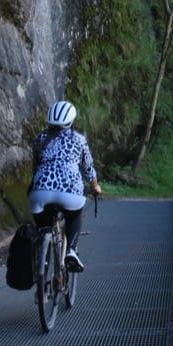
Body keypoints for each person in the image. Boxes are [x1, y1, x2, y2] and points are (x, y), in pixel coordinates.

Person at [27, 100, 101, 272]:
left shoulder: (39, 139)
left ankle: (42, 253)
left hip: (41, 192)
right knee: (74, 216)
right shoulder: (79, 140)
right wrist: (95, 186)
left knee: (43, 225)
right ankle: (71, 251)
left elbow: (36, 167)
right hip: (71, 193)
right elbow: (88, 169)